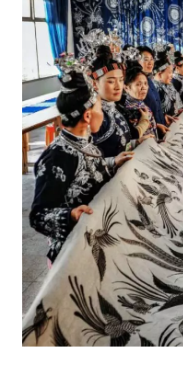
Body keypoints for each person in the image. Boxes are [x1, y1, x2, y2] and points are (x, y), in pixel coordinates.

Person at [30, 61, 133, 263]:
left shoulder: (85, 144)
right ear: (87, 115)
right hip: (73, 251)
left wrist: (113, 162)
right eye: (99, 108)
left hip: (96, 234)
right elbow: (38, 216)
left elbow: (89, 170)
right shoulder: (57, 157)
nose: (102, 113)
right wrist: (71, 215)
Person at [89, 53, 133, 157]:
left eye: (121, 80)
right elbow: (86, 158)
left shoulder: (116, 107)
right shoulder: (95, 116)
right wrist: (113, 162)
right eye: (111, 81)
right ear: (95, 84)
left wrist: (136, 142)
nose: (118, 87)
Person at [138, 46, 169, 137]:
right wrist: (156, 125)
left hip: (162, 130)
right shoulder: (136, 85)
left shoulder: (150, 81)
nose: (150, 62)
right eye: (146, 59)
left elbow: (156, 107)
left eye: (151, 59)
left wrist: (164, 116)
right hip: (150, 135)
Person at [122, 61, 158, 141]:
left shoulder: (140, 104)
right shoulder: (128, 111)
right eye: (138, 84)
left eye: (145, 83)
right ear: (126, 88)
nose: (144, 87)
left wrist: (156, 126)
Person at [153, 50, 183, 121]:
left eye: (172, 72)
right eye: (169, 72)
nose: (172, 75)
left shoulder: (168, 84)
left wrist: (179, 110)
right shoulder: (155, 90)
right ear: (160, 73)